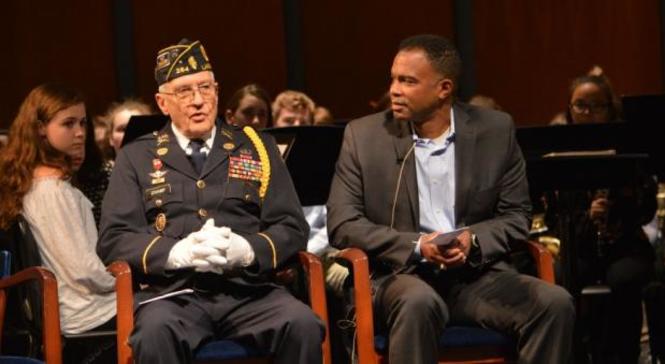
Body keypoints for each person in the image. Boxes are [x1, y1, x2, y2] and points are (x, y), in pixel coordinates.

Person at [327, 34, 575, 364]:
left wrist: (472, 240)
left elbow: (516, 217)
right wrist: (417, 245)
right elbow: (343, 223)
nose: (394, 90)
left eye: (408, 81)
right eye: (393, 79)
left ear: (444, 88)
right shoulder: (364, 135)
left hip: (474, 278)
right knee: (419, 302)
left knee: (554, 303)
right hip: (397, 279)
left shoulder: (495, 131)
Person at [97, 39, 323, 364]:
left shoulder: (257, 146)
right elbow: (114, 239)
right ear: (163, 102)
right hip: (173, 296)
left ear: (217, 91)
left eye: (205, 88)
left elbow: (291, 227)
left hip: (249, 292)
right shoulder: (136, 157)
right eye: (185, 92)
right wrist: (177, 253)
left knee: (303, 324)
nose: (199, 101)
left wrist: (247, 250)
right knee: (153, 334)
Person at [0, 83, 117, 362]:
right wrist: (127, 282)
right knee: (168, 319)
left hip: (82, 306)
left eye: (83, 123)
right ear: (41, 128)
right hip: (87, 314)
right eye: (68, 124)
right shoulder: (52, 189)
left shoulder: (39, 183)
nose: (79, 133)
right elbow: (82, 269)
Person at [560, 70, 656, 363]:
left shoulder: (630, 148)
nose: (588, 114)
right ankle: (574, 354)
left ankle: (620, 356)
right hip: (579, 244)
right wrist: (587, 216)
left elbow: (647, 209)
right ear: (570, 108)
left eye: (597, 106)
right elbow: (555, 214)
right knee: (563, 282)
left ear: (610, 109)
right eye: (580, 106)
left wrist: (618, 207)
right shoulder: (559, 150)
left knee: (625, 278)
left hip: (625, 244)